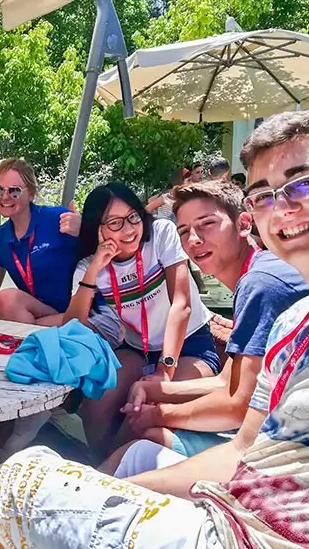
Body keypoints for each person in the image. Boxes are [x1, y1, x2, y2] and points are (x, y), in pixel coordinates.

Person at [0, 110, 309, 549]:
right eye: (264, 195)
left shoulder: (262, 283)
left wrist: (163, 383)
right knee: (108, 403)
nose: (282, 209)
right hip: (238, 504)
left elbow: (185, 312)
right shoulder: (293, 320)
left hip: (190, 356)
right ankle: (98, 464)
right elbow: (242, 444)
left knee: (12, 481)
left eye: (305, 184)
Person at [101, 181, 309, 476]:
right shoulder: (258, 272)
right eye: (184, 231)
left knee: (146, 438)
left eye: (207, 224)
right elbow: (227, 381)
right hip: (278, 426)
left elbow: (237, 405)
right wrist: (155, 388)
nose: (194, 239)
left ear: (244, 224)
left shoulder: (259, 283)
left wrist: (157, 414)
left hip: (288, 450)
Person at [64, 182, 219, 460]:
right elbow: (71, 326)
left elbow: (181, 304)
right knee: (98, 399)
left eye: (133, 216)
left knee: (146, 406)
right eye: (115, 222)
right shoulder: (89, 266)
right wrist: (96, 267)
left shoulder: (161, 234)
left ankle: (106, 476)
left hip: (189, 343)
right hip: (139, 348)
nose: (129, 229)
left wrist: (164, 370)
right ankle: (99, 465)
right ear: (97, 228)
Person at [0, 158, 80, 326]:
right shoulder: (1, 236)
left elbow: (105, 252)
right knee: (8, 299)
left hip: (80, 314)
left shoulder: (58, 219)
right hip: (44, 314)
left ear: (31, 193)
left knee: (21, 325)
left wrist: (85, 229)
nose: (5, 196)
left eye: (14, 191)